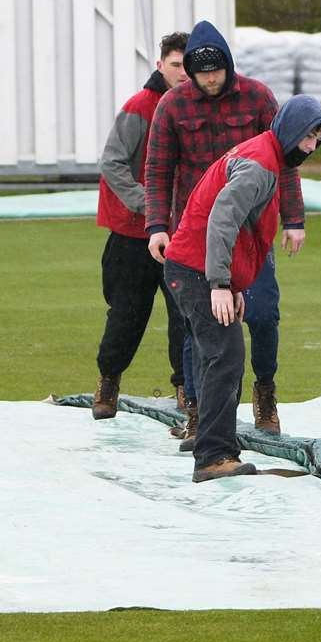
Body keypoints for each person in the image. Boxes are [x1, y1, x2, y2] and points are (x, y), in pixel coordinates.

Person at [144, 19, 305, 442]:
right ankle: (197, 410)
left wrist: (294, 218)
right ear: (191, 73)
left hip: (251, 233)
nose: (210, 78)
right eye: (202, 72)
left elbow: (287, 157)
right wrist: (157, 225)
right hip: (193, 234)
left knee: (264, 313)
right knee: (198, 326)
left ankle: (265, 392)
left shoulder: (257, 98)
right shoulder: (172, 106)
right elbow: (158, 170)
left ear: (228, 67)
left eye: (217, 70)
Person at [165, 97, 321, 482]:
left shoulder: (264, 156)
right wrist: (219, 283)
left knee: (218, 356)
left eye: (317, 140)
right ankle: (213, 456)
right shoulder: (259, 165)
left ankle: (210, 441)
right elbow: (222, 218)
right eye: (308, 136)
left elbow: (235, 225)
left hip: (191, 266)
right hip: (195, 269)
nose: (310, 147)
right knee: (225, 356)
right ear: (289, 130)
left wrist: (234, 284)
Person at [91, 31, 191, 419]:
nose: (183, 73)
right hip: (134, 234)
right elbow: (112, 163)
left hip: (181, 232)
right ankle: (108, 383)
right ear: (159, 65)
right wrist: (149, 206)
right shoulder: (139, 107)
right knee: (126, 314)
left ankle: (186, 389)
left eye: (188, 66)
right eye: (175, 65)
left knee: (185, 315)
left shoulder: (194, 109)